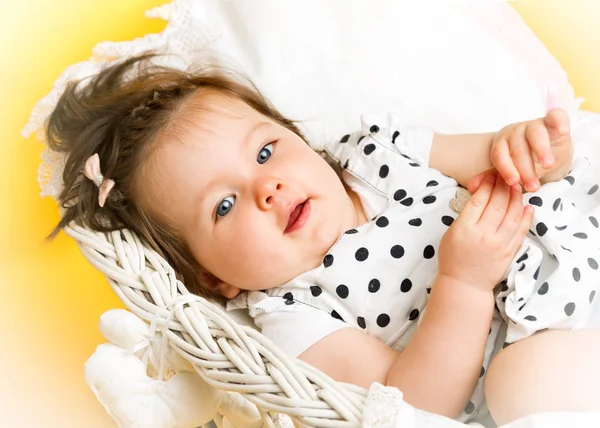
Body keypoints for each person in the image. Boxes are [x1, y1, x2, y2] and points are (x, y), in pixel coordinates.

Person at [48, 54, 600, 426]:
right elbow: (414, 406)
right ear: (213, 277)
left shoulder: (378, 150)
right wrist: (465, 282)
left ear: (296, 135)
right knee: (521, 382)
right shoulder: (293, 313)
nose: (268, 188)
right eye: (223, 205)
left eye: (266, 152)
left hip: (584, 247)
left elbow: (507, 160)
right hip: (551, 348)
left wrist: (533, 149)